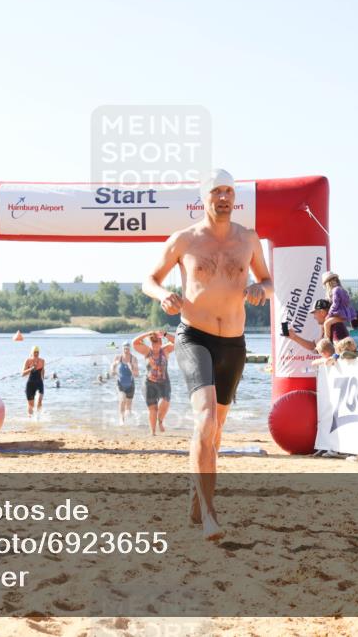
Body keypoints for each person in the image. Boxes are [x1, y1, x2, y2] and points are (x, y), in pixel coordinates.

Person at [142, 168, 272, 540]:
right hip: (193, 336)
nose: (224, 197)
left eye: (229, 191)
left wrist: (261, 289)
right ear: (204, 198)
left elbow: (268, 279)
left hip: (234, 342)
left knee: (216, 432)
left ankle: (197, 494)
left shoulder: (248, 239)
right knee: (205, 419)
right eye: (217, 191)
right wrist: (162, 294)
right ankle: (212, 514)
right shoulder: (184, 240)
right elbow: (148, 279)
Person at [133, 329, 176, 435]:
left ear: (161, 343)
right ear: (150, 343)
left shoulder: (165, 350)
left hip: (164, 382)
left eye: (157, 344)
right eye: (153, 344)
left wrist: (165, 334)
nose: (155, 347)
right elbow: (135, 342)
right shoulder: (147, 351)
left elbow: (178, 342)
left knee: (166, 401)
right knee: (153, 409)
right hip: (149, 383)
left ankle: (160, 421)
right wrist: (148, 333)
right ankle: (153, 432)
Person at [320, 272, 356, 342]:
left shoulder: (335, 290)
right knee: (327, 324)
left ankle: (327, 342)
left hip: (340, 314)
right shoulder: (341, 290)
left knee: (326, 323)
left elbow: (335, 303)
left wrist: (329, 314)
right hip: (344, 314)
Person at [110, 342, 139, 424]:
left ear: (130, 349)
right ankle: (121, 419)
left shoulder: (133, 359)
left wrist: (131, 368)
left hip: (130, 384)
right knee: (122, 400)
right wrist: (112, 370)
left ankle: (129, 420)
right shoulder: (118, 358)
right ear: (122, 349)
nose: (126, 350)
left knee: (128, 406)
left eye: (128, 349)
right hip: (120, 383)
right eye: (125, 348)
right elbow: (113, 366)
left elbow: (136, 374)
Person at [21, 346, 45, 415]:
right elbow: (23, 374)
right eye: (35, 352)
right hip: (30, 384)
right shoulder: (28, 361)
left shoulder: (42, 361)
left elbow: (43, 371)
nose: (36, 354)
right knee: (31, 405)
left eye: (37, 352)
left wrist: (43, 379)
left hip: (39, 383)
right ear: (32, 353)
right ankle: (31, 419)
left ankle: (38, 416)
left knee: (39, 400)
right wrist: (30, 369)